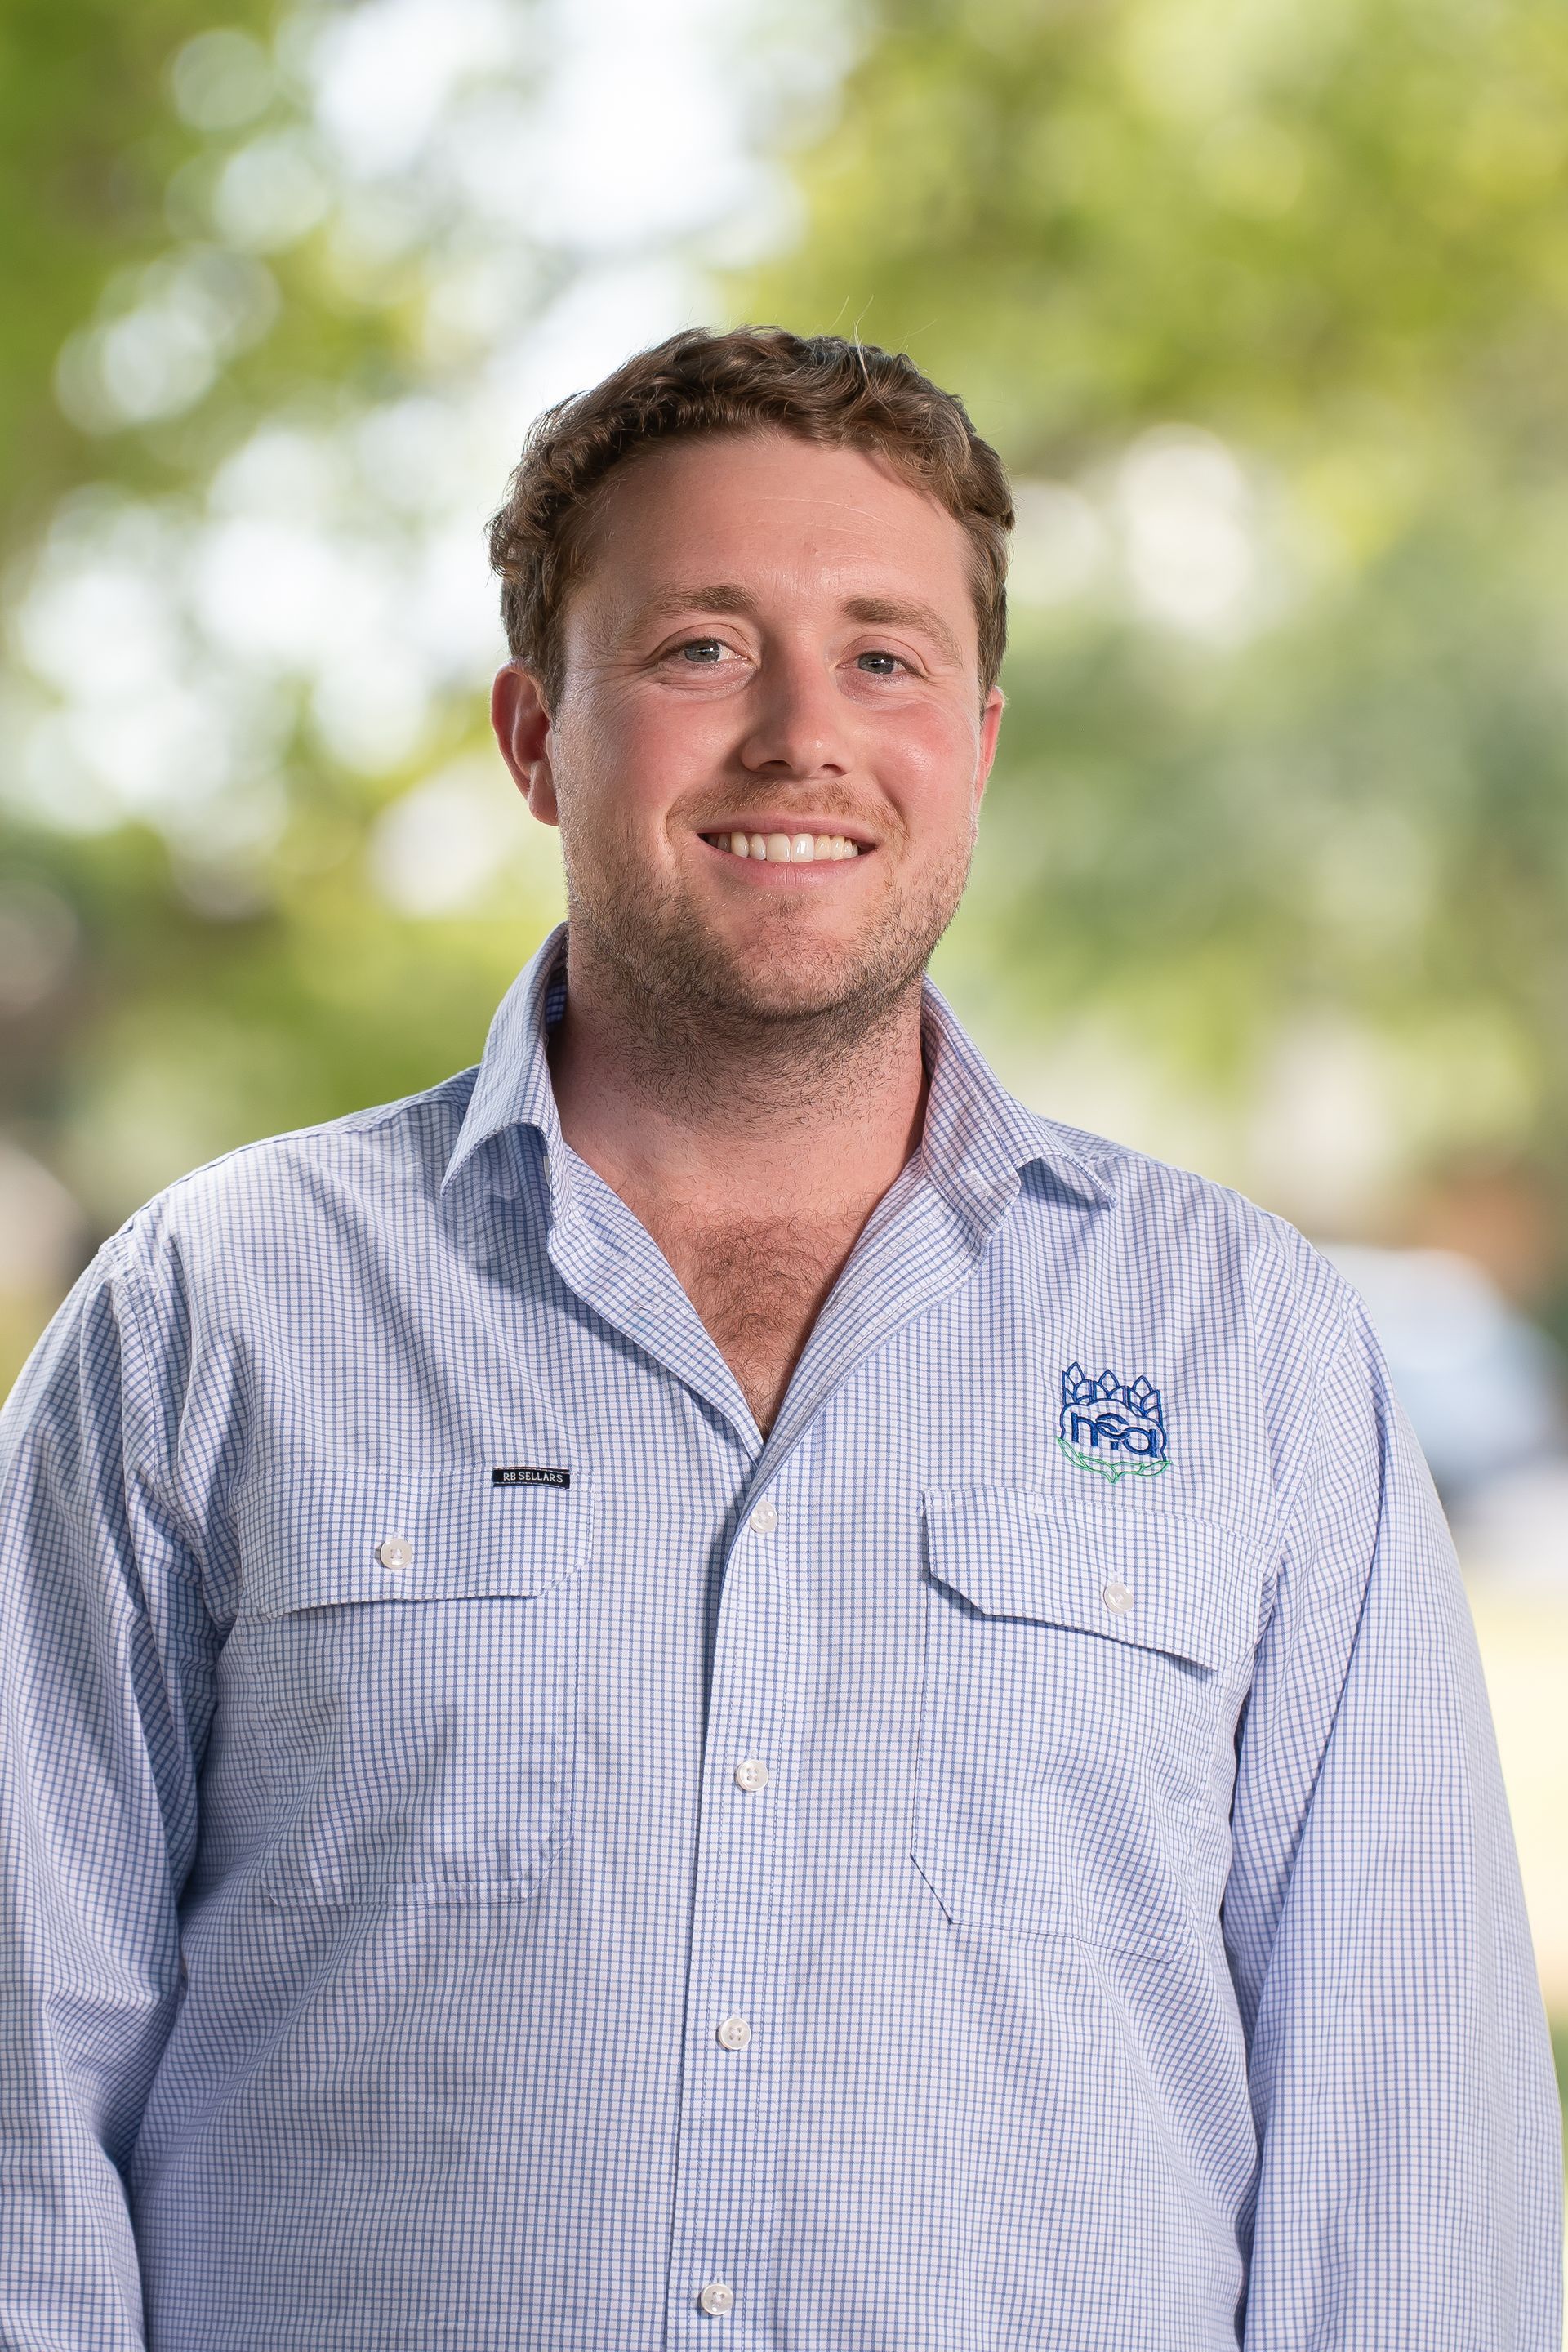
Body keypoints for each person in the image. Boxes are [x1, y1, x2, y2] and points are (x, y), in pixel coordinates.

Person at [0, 326, 1558, 2352]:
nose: (803, 737)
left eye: (886, 657)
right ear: (536, 735)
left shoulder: (1250, 1350)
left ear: (978, 742)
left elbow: (1407, 2163)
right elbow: (21, 2096)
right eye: (701, 651)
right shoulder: (211, 1320)